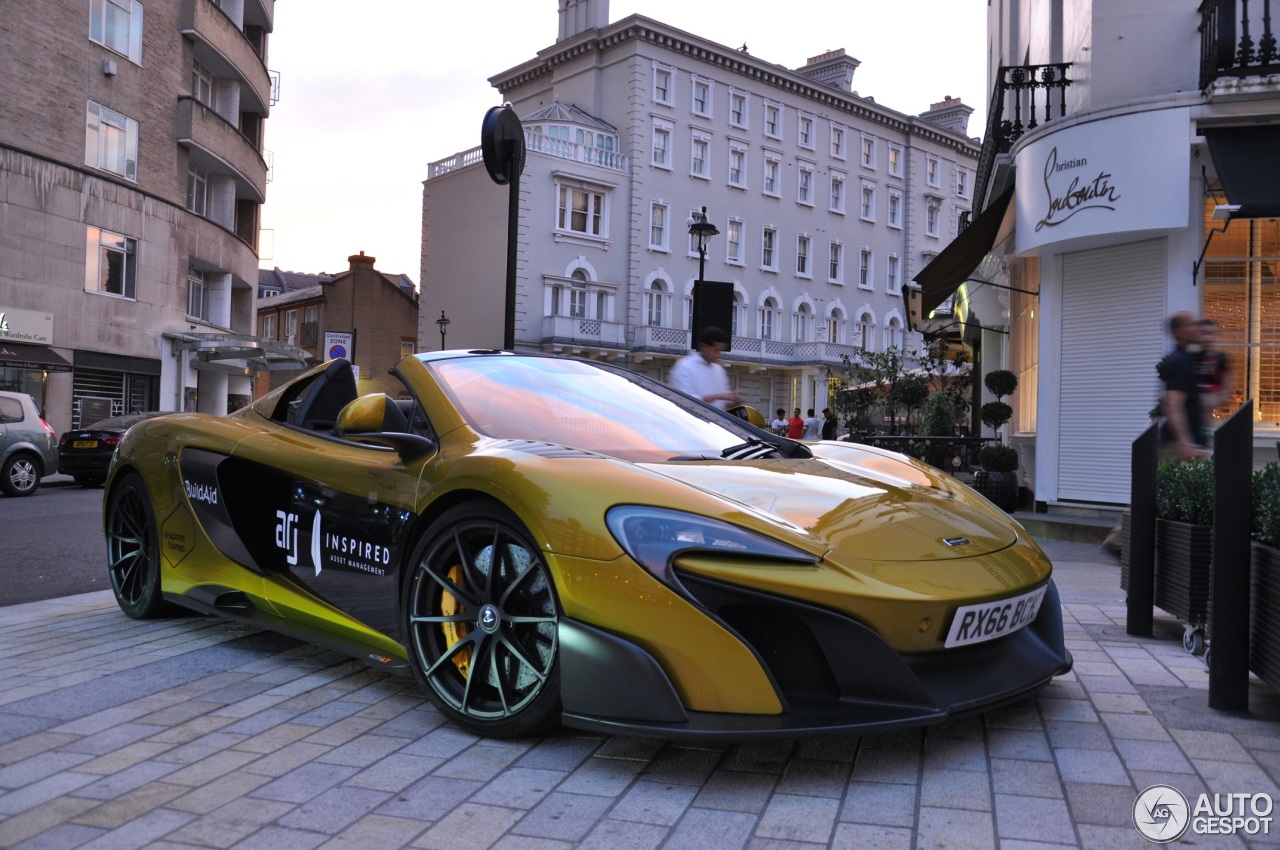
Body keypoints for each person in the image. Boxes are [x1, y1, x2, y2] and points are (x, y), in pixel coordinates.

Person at [1158, 311, 1210, 461]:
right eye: (1191, 325)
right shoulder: (1180, 361)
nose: (1197, 328)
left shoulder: (1187, 359)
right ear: (1178, 332)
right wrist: (1185, 444)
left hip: (1188, 446)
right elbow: (1173, 406)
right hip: (1177, 448)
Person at [669, 326, 739, 410]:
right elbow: (685, 402)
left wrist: (730, 402)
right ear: (703, 347)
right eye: (716, 350)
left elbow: (720, 405)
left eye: (721, 351)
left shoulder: (719, 370)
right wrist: (718, 396)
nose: (719, 355)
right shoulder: (684, 367)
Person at [1195, 318, 1230, 412]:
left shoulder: (1221, 358)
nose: (1207, 337)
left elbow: (1227, 386)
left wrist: (1220, 397)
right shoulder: (1191, 357)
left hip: (1210, 406)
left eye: (1211, 333)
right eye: (1204, 333)